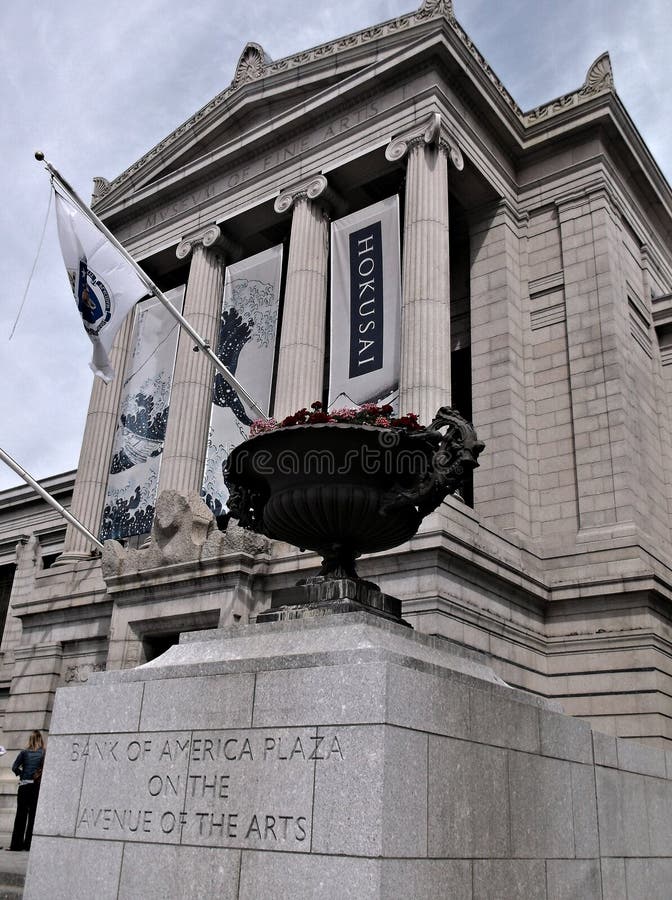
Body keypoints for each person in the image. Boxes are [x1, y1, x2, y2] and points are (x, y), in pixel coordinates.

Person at [8, 730, 45, 852]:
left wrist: (22, 774)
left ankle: (16, 845)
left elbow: (14, 767)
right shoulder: (44, 753)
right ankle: (28, 845)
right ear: (40, 740)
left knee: (20, 816)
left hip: (24, 786)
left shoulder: (24, 753)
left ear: (30, 740)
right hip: (36, 787)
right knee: (33, 816)